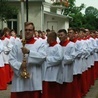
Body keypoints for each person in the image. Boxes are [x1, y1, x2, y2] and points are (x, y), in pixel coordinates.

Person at [9, 22, 47, 98]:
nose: (27, 31)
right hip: (20, 79)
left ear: (33, 31)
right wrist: (20, 65)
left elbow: (42, 57)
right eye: (26, 30)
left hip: (34, 79)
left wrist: (29, 52)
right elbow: (11, 59)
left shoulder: (40, 43)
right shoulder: (17, 44)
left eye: (30, 30)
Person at [42, 31, 63, 98]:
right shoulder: (46, 47)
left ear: (51, 38)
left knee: (53, 92)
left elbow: (59, 59)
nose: (46, 39)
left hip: (54, 73)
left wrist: (47, 59)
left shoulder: (58, 47)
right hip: (46, 72)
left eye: (47, 37)